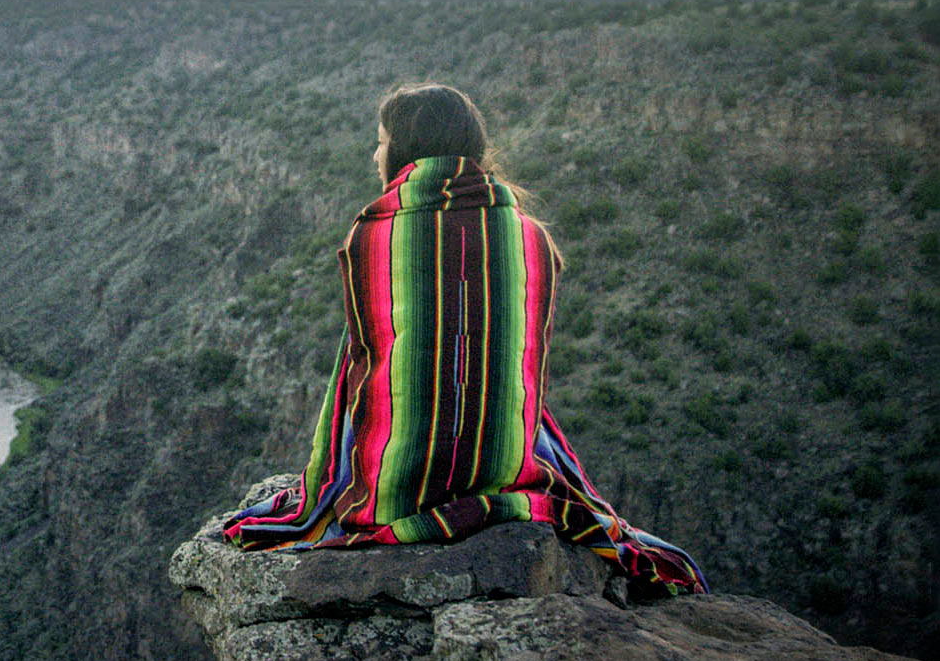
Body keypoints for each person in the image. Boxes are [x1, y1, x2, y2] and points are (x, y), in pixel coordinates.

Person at [223, 83, 706, 594]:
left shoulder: (374, 235)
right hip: (503, 467)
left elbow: (365, 364)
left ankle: (413, 454)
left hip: (393, 490)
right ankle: (483, 446)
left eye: (381, 141)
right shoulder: (531, 237)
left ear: (405, 153)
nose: (374, 153)